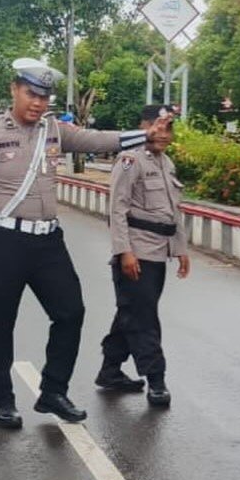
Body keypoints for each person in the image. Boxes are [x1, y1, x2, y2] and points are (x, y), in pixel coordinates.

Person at [0, 58, 169, 429]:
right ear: (14, 89)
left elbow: (99, 139)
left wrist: (146, 135)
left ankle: (53, 391)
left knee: (71, 313)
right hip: (7, 241)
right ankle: (2, 400)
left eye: (44, 97)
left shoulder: (55, 130)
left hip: (48, 242)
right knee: (2, 323)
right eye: (31, 94)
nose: (38, 103)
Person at [99, 106, 191, 406]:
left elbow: (173, 212)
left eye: (168, 128)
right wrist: (124, 252)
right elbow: (117, 208)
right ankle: (156, 379)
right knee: (144, 318)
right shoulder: (130, 160)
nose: (163, 134)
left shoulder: (166, 163)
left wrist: (180, 249)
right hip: (136, 252)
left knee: (132, 312)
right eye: (157, 127)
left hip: (159, 251)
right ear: (143, 126)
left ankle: (110, 371)